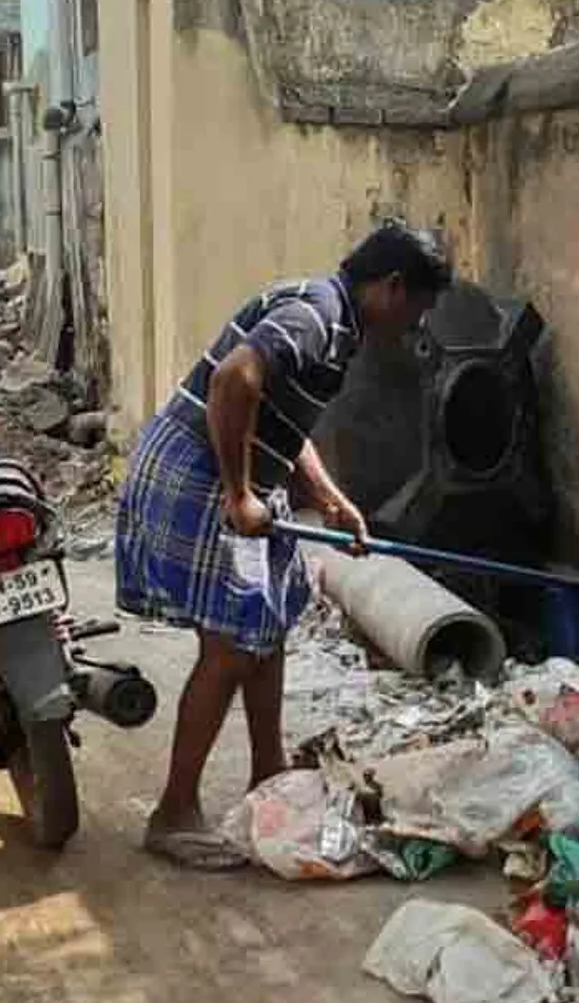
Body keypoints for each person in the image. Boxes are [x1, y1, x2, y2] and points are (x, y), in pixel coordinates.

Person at [114, 222, 453, 868]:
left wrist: (330, 500)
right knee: (231, 644)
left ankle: (266, 771)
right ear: (391, 287)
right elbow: (234, 382)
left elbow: (281, 420)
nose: (416, 323)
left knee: (267, 622)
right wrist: (239, 493)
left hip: (234, 467)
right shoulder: (316, 317)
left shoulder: (333, 320)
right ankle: (174, 812)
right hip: (202, 469)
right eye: (418, 307)